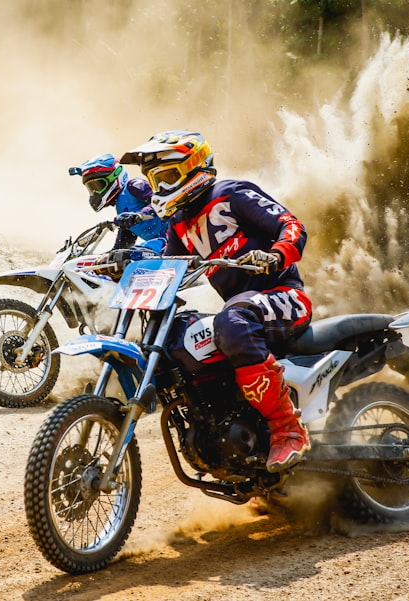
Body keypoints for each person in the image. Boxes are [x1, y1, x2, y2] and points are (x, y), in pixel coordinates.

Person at [120, 130, 313, 472]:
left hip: (285, 296)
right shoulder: (179, 224)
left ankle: (288, 430)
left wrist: (274, 255)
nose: (160, 187)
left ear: (193, 168)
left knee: (231, 322)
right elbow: (169, 269)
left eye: (167, 177)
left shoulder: (231, 193)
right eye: (154, 180)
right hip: (242, 308)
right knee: (174, 336)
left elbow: (292, 226)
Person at [68, 153, 168, 254]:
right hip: (163, 244)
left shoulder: (134, 185)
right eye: (91, 188)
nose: (95, 192)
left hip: (174, 236)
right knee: (119, 258)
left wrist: (139, 215)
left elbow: (162, 201)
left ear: (116, 175)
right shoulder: (121, 209)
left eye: (98, 186)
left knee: (136, 254)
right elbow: (122, 247)